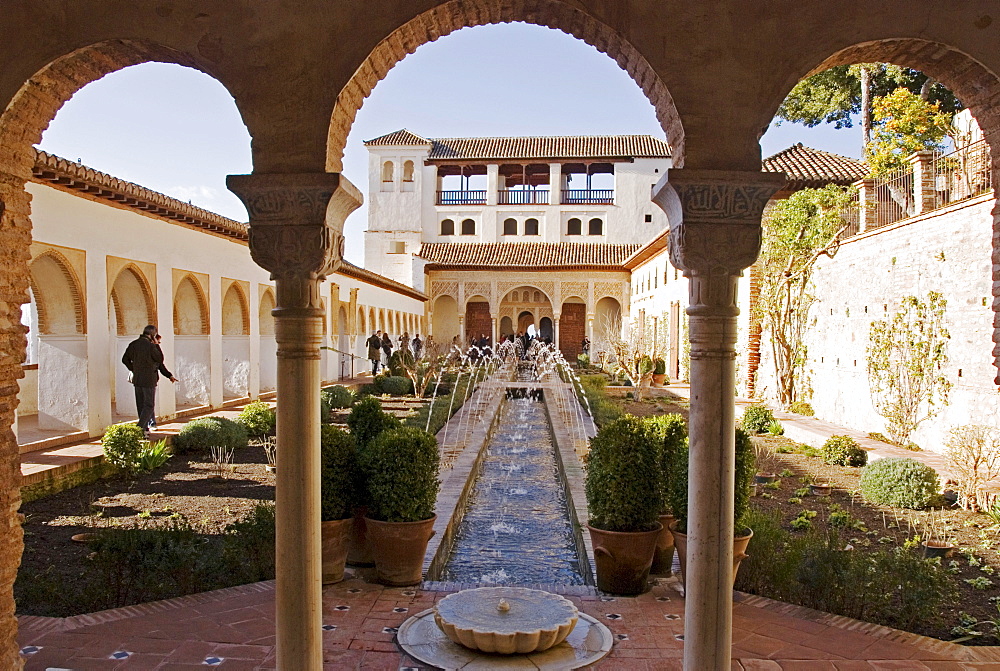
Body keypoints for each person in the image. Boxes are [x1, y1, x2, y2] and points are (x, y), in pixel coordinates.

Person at [122, 325, 175, 433]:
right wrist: (156, 345)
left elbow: (125, 359)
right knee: (149, 405)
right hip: (149, 379)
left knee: (141, 404)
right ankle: (140, 427)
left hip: (137, 379)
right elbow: (160, 359)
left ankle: (144, 429)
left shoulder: (134, 344)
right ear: (152, 335)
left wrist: (134, 369)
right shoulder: (151, 346)